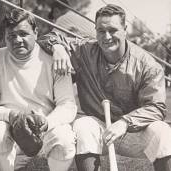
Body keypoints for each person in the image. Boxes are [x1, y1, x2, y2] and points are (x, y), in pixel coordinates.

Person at [38, 4, 171, 171]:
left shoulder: (147, 65)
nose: (106, 37)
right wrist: (58, 48)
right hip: (99, 129)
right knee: (83, 125)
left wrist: (124, 122)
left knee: (163, 132)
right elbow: (45, 37)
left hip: (135, 131)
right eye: (101, 31)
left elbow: (156, 107)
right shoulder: (84, 50)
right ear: (95, 30)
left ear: (125, 29)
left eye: (113, 30)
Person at [0, 9, 77, 171]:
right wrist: (11, 116)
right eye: (11, 36)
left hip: (45, 130)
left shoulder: (55, 58)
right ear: (5, 37)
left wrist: (47, 123)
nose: (17, 40)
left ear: (36, 33)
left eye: (23, 34)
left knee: (64, 138)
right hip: (11, 129)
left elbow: (68, 105)